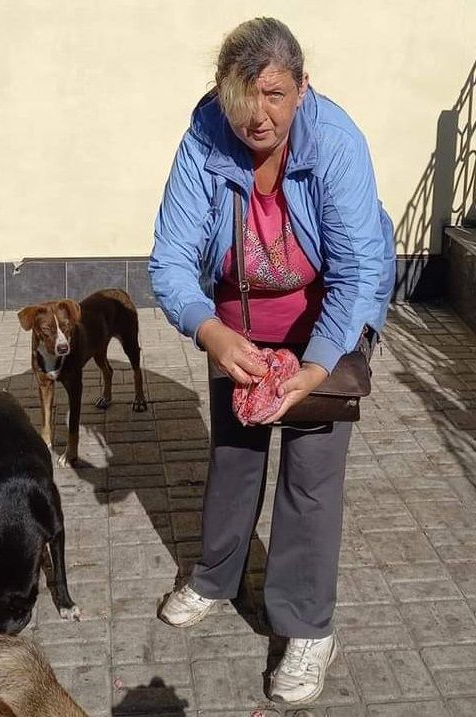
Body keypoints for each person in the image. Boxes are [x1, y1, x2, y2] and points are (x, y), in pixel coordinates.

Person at [148, 17, 396, 705]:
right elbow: (169, 260)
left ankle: (307, 625)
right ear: (220, 92)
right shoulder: (203, 136)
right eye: (243, 97)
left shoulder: (337, 142)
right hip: (240, 321)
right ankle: (213, 574)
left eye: (275, 95)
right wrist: (209, 333)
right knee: (233, 450)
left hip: (327, 317)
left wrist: (315, 370)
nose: (258, 116)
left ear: (300, 87)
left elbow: (355, 273)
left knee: (311, 476)